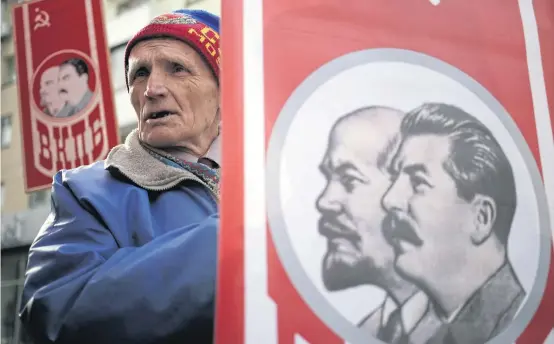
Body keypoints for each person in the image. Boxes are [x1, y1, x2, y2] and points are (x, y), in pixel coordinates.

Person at [19, 9, 222, 344]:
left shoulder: (278, 183)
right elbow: (55, 312)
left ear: (223, 90)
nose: (152, 88)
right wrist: (231, 242)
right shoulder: (83, 191)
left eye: (177, 69)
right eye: (140, 73)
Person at [381, 102, 524, 344]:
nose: (389, 200)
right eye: (395, 179)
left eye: (418, 182)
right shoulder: (414, 331)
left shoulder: (515, 321)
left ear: (481, 218)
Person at [316, 106, 441, 344]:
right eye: (329, 178)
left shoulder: (476, 326)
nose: (325, 202)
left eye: (349, 179)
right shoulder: (367, 332)